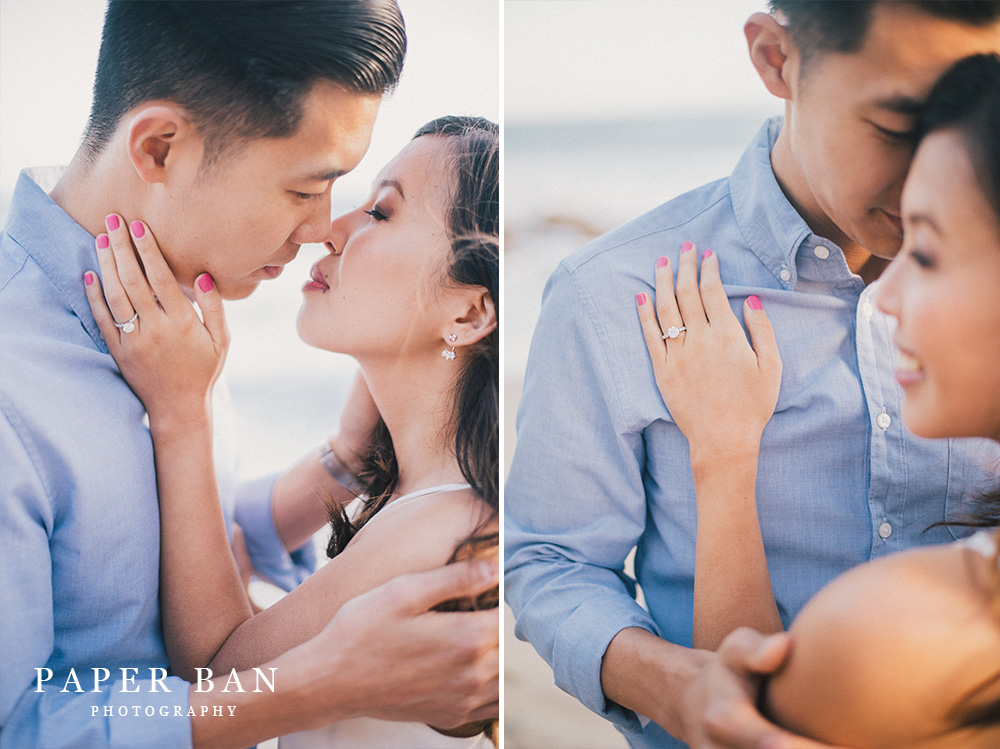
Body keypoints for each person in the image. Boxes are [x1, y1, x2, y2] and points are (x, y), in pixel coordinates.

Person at [504, 2, 1000, 747]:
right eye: (899, 127)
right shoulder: (609, 292)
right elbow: (551, 560)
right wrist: (673, 685)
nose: (938, 161)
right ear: (776, 58)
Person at [0, 3, 497, 747]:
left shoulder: (172, 306)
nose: (320, 228)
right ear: (161, 148)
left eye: (356, 195)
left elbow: (148, 540)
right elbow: (19, 722)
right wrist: (313, 688)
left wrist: (333, 472)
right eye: (303, 189)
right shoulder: (19, 380)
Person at [637, 51, 1000, 748]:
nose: (882, 296)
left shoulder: (898, 632)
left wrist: (722, 451)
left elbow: (739, 718)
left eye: (924, 253)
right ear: (776, 59)